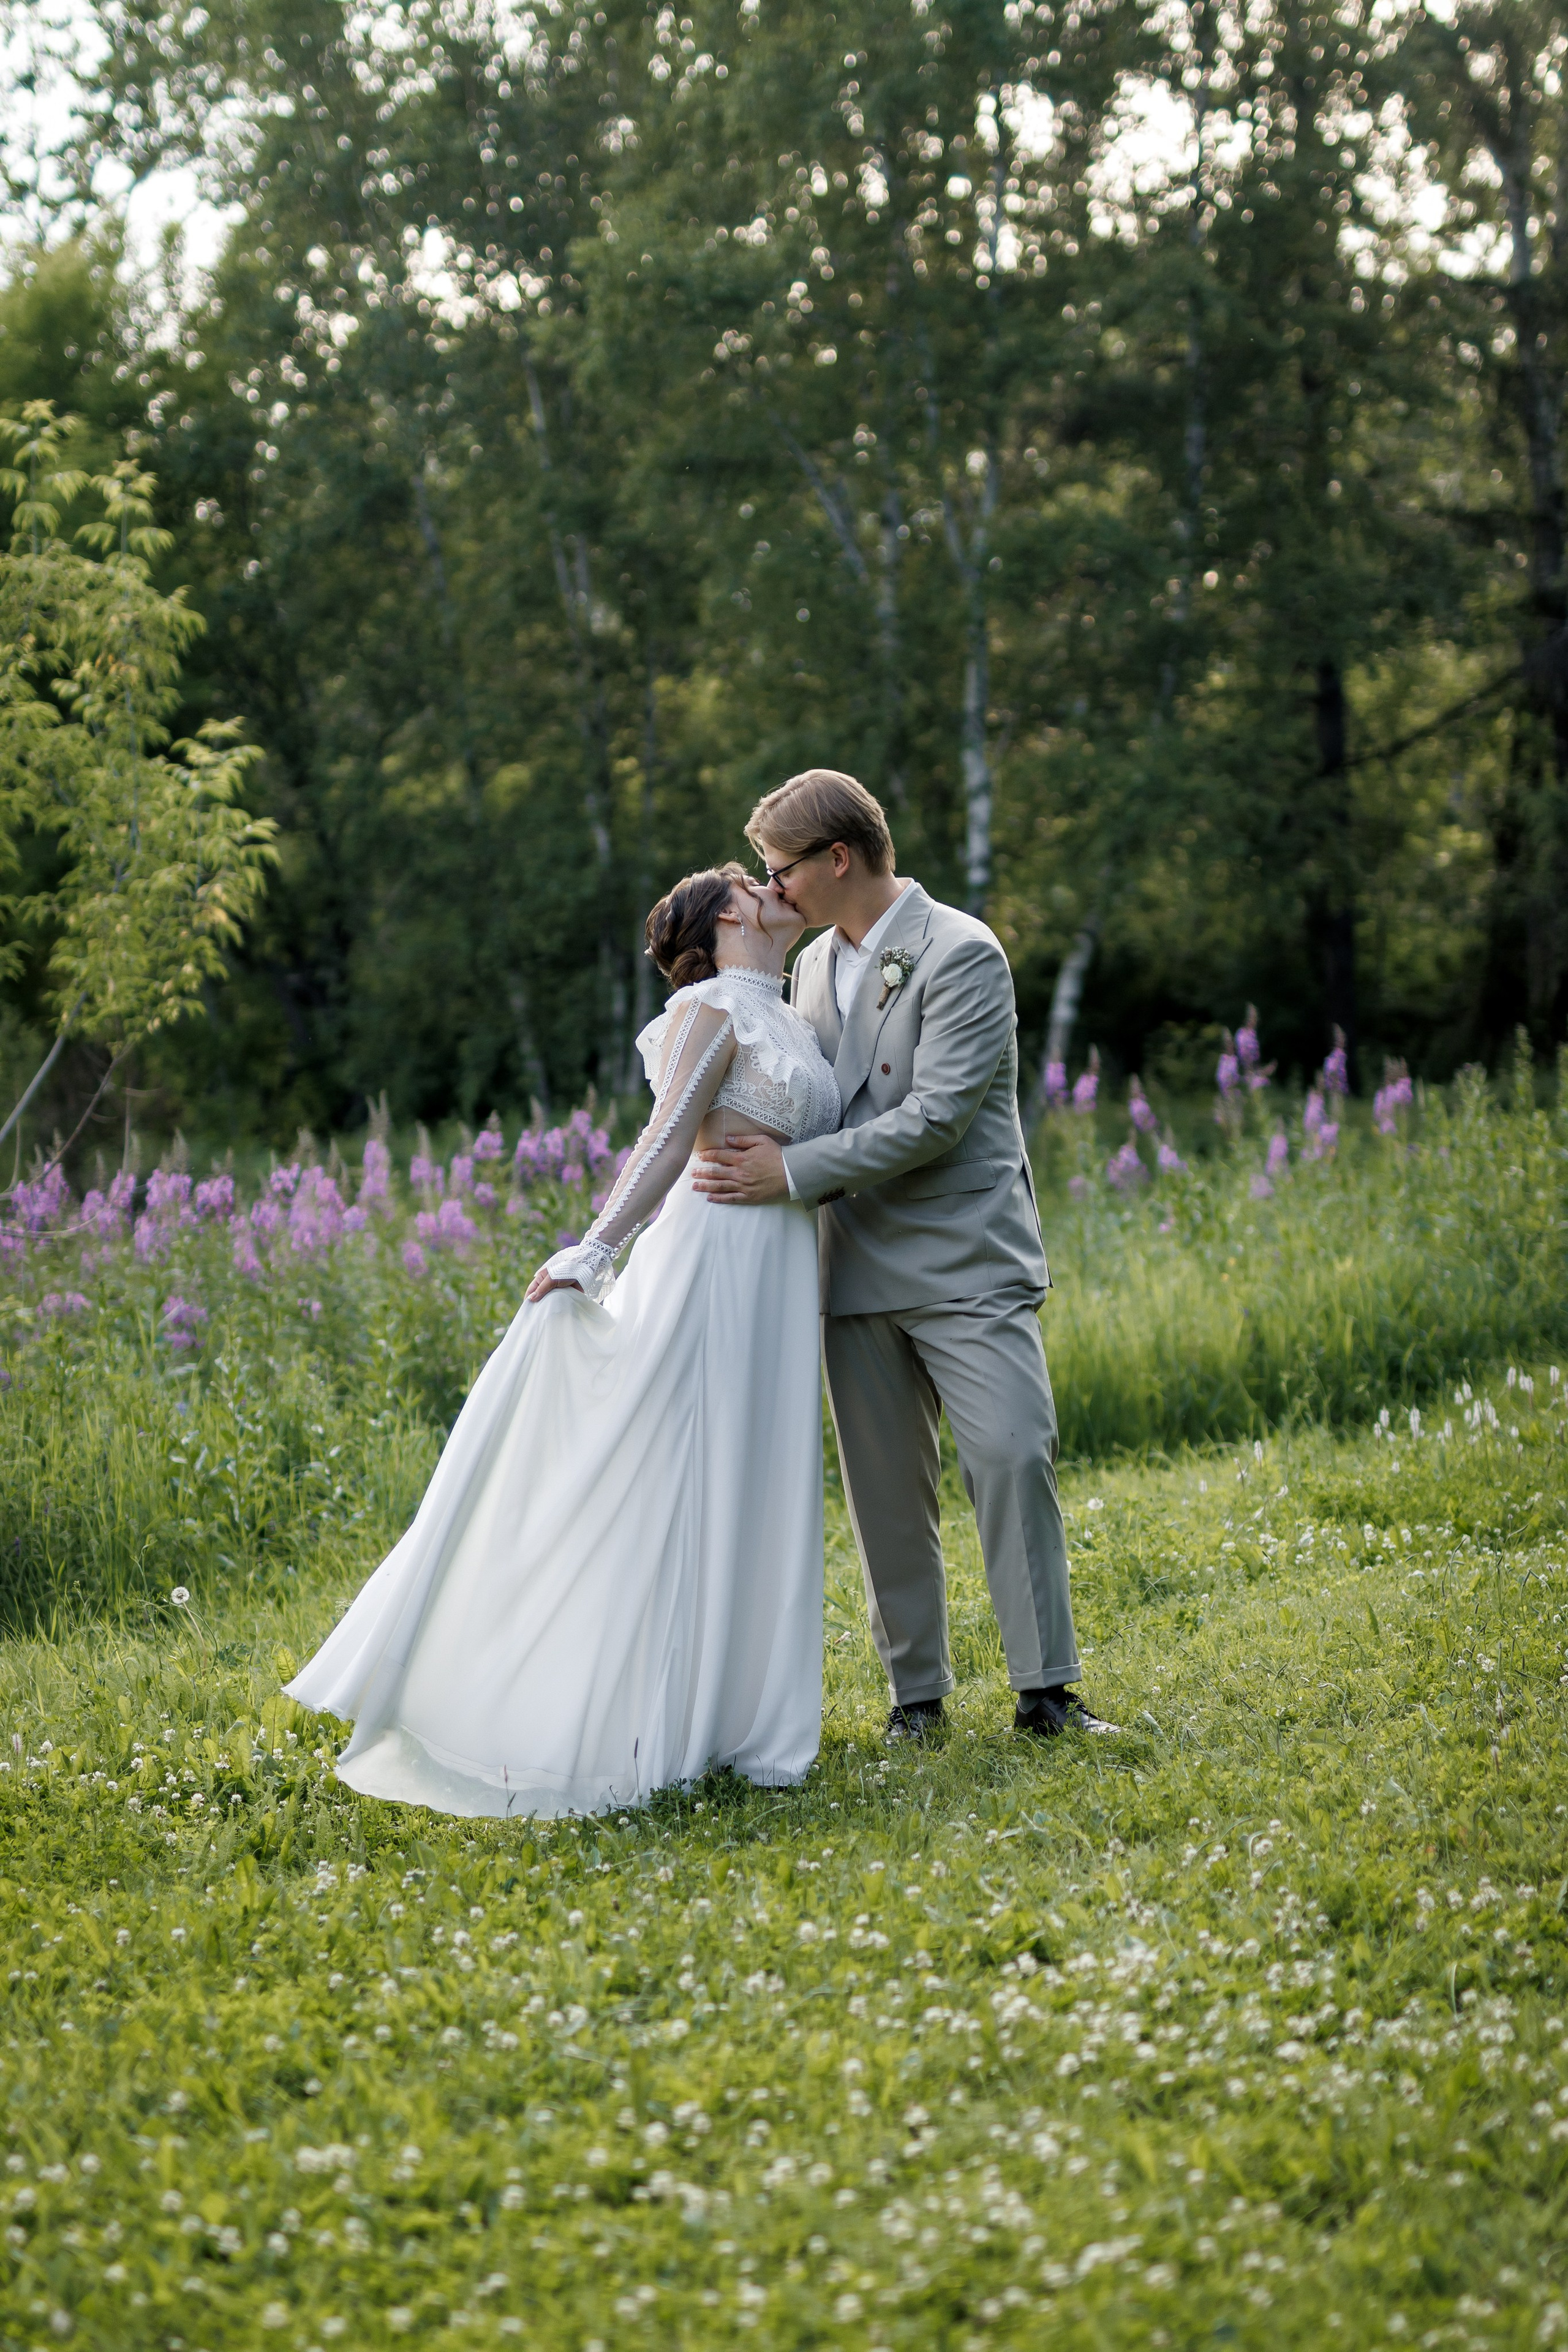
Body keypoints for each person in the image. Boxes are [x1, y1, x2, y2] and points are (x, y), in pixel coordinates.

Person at [284, 865, 840, 1817]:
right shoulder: (714, 1009)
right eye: (750, 883)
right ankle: (612, 1707)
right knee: (683, 1477)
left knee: (760, 1479)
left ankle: (743, 1721)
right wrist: (595, 1248)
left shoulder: (794, 1014)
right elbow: (667, 1142)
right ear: (720, 925)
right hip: (714, 1266)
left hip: (781, 1271)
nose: (770, 884)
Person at [692, 769, 1115, 1743]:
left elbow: (934, 1118)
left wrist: (791, 1174)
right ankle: (915, 1703)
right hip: (852, 1265)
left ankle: (1046, 1692)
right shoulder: (812, 966)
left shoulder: (963, 953)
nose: (773, 888)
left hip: (966, 1259)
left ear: (838, 857)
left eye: (781, 867)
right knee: (886, 1495)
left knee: (1012, 1455)